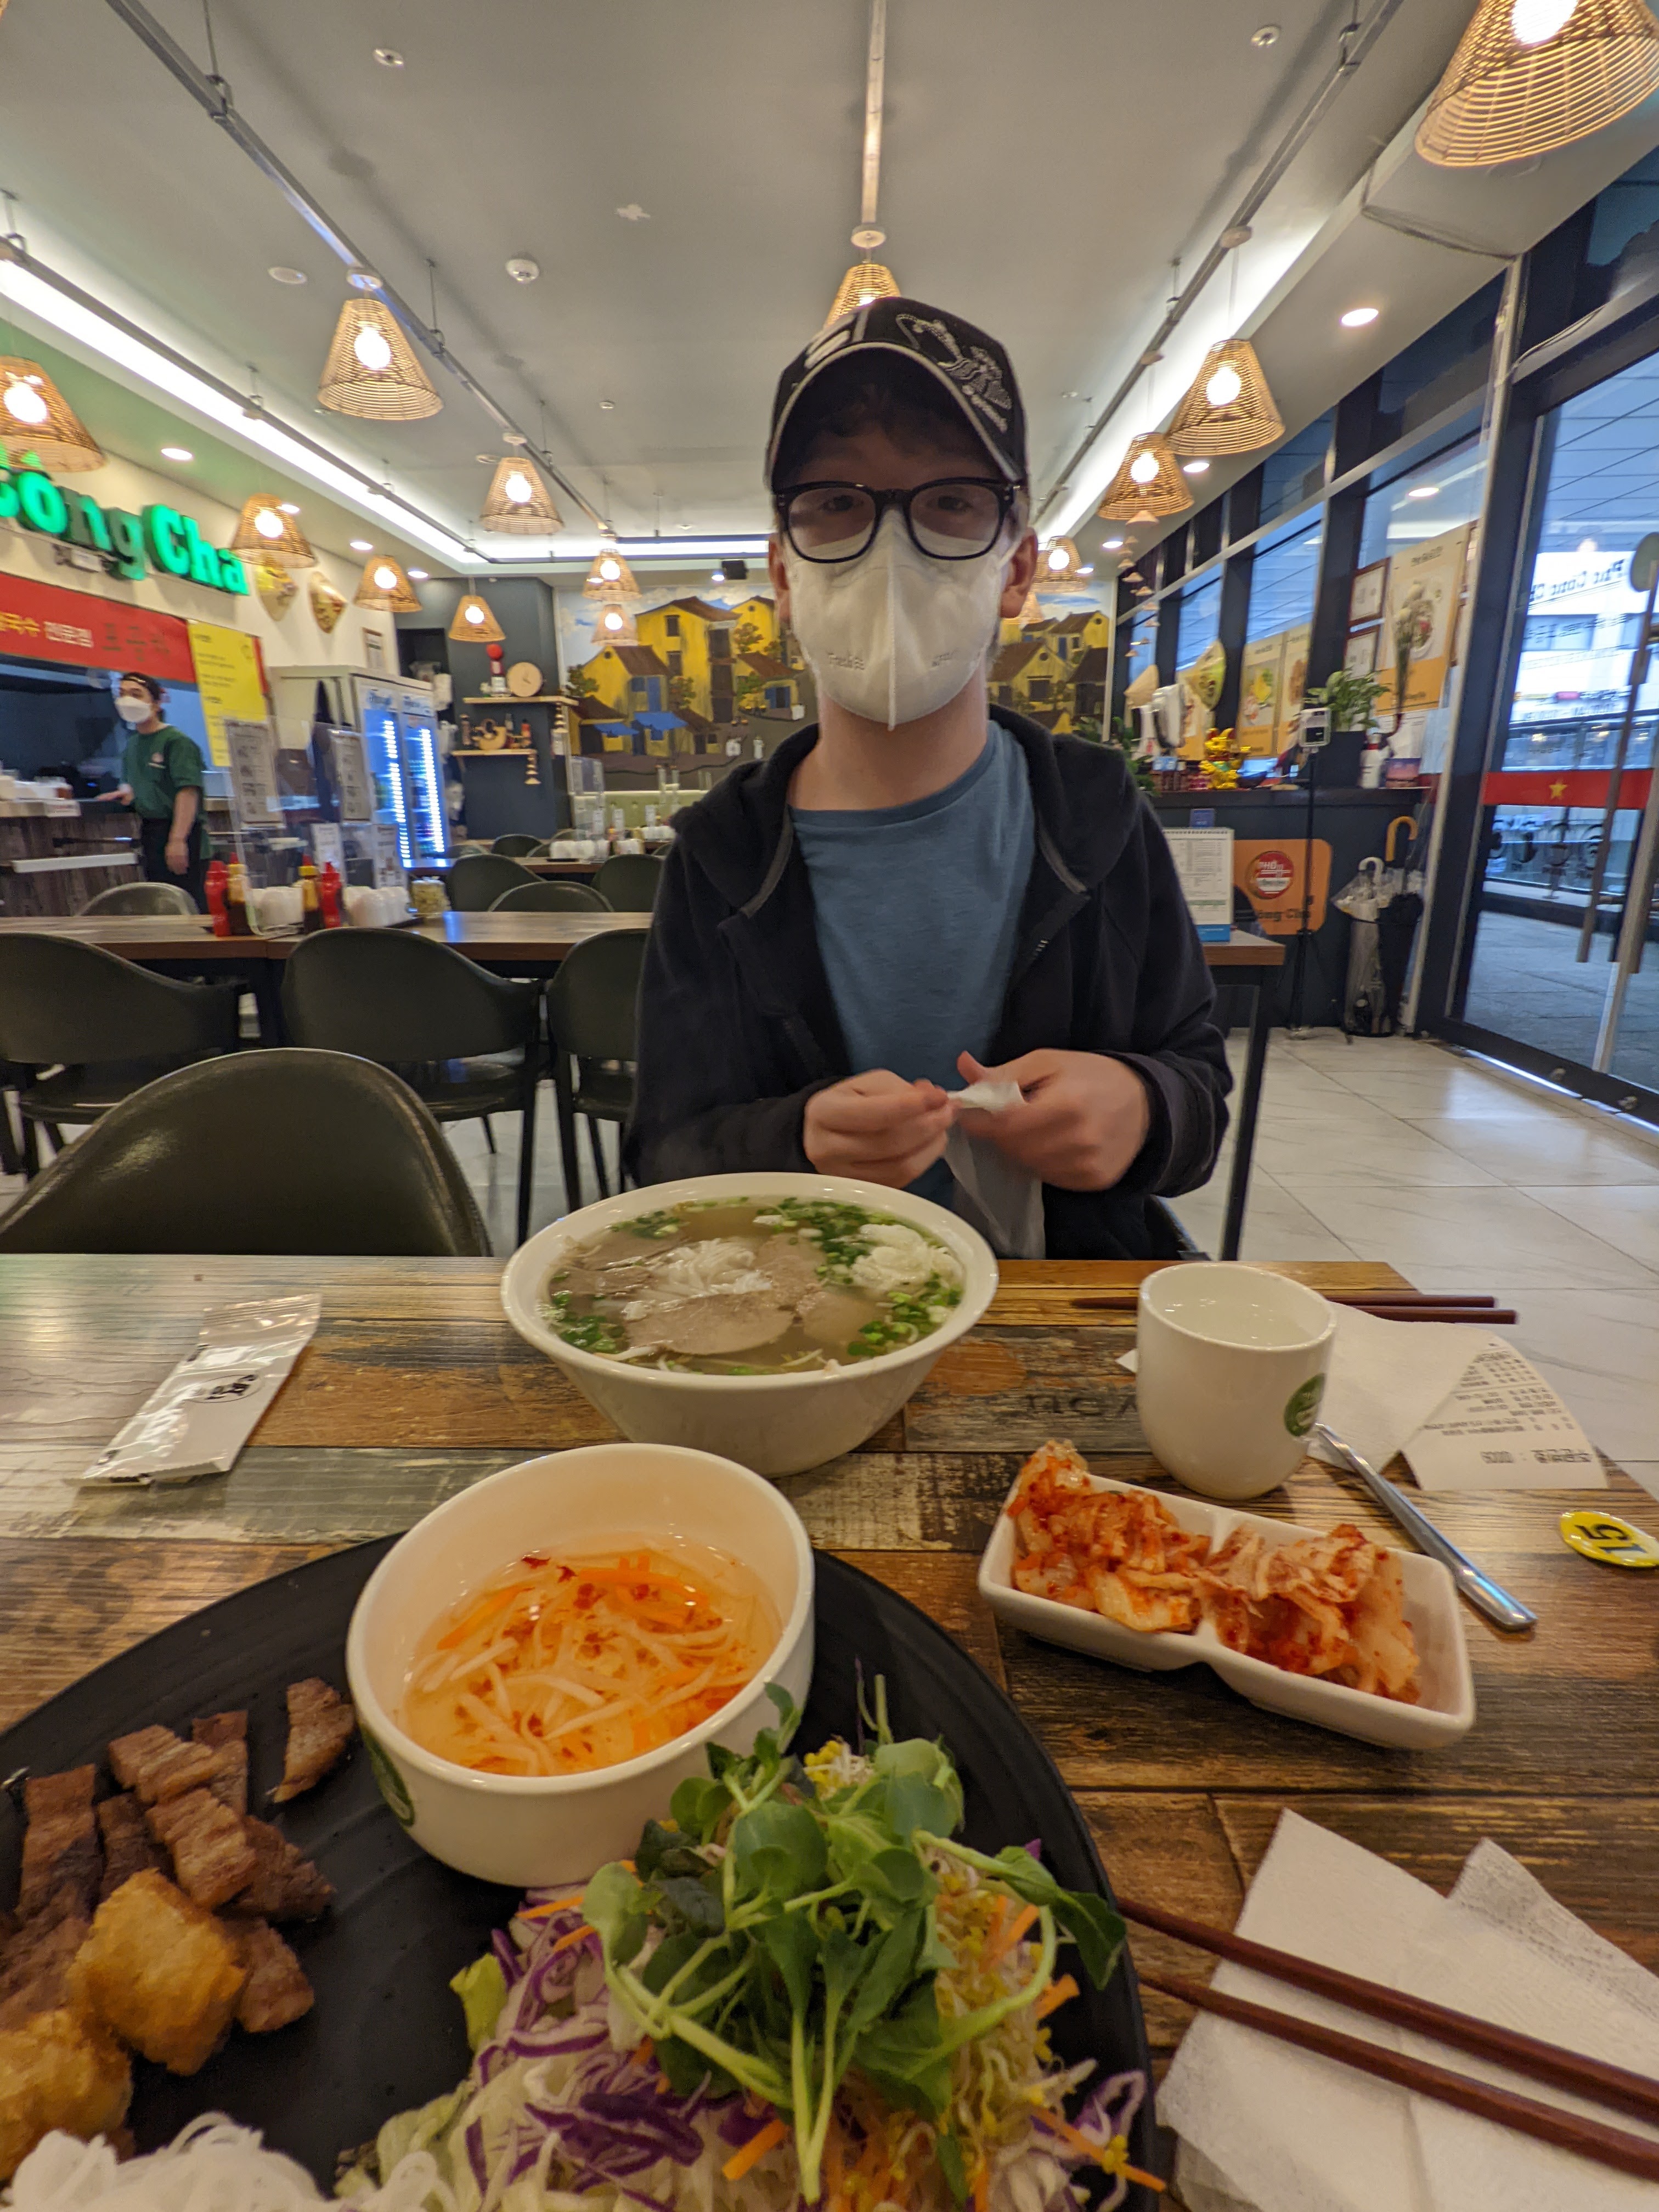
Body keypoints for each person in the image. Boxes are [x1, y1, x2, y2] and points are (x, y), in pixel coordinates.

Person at [624, 298, 1230, 1259]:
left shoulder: (1098, 817)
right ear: (782, 576)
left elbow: (1197, 1087)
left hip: (1058, 1304)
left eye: (950, 501)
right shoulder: (721, 855)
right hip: (809, 1311)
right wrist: (791, 1141)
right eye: (835, 503)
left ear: (1017, 568)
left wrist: (1140, 1105)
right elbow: (662, 1150)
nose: (890, 550)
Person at [108, 674, 208, 910]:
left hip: (182, 832)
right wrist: (126, 795)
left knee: (190, 906)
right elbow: (136, 785)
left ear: (156, 703)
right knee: (162, 905)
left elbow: (188, 791)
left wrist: (177, 840)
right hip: (151, 832)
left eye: (136, 694)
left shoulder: (176, 742)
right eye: (122, 694)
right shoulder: (133, 744)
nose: (127, 700)